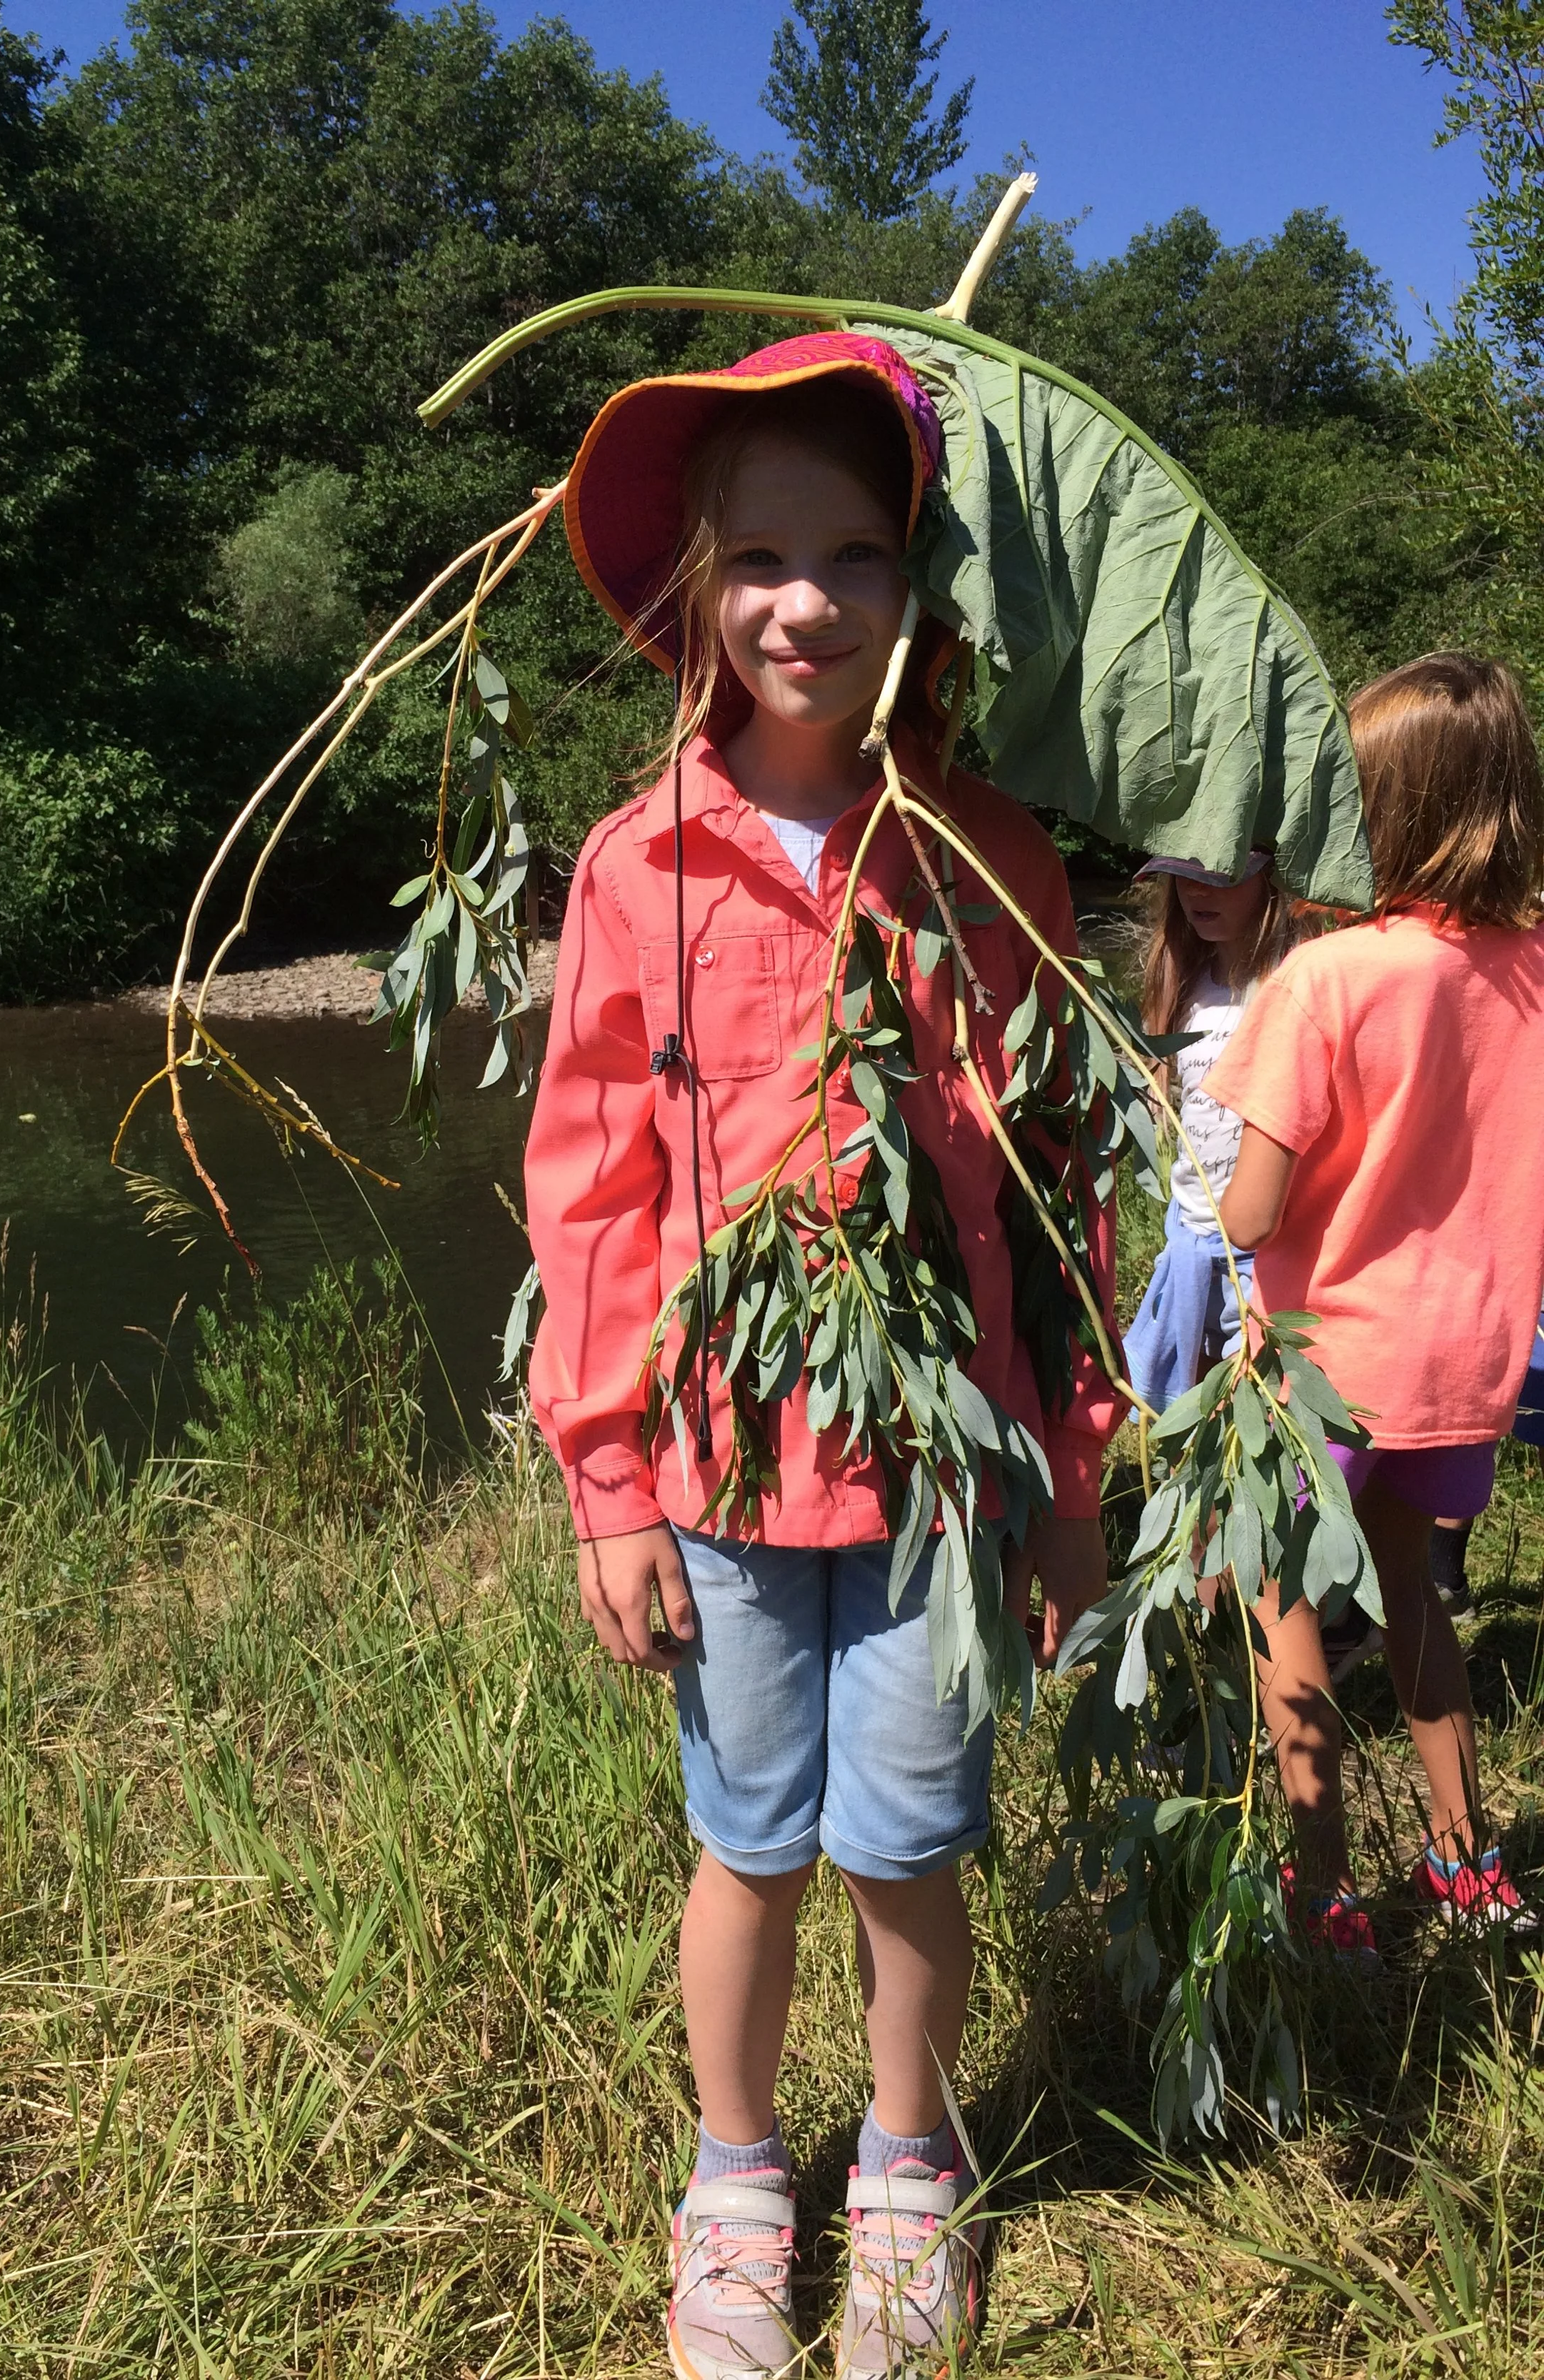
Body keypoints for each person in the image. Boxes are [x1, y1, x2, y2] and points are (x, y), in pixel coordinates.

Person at [523, 333, 1121, 2379]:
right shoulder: (633, 869)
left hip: (945, 1483)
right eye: (761, 559)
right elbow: (589, 1192)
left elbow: (1061, 1205)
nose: (806, 603)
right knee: (749, 1839)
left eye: (855, 556)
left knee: (907, 1841)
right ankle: (732, 2173)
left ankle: (906, 2162)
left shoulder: (987, 866)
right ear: (696, 587)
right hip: (717, 1470)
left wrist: (1078, 1461)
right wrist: (606, 1476)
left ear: (914, 590)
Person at [1210, 651, 1544, 1957]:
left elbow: (1249, 1212)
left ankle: (1324, 1888)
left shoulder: (1327, 978)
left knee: (1286, 1603)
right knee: (1413, 1595)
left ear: (1383, 806)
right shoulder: (1531, 973)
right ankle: (1470, 1869)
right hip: (1470, 1358)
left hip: (1329, 1361)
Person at [1121, 851, 1300, 1410]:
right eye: (1184, 878)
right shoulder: (1186, 985)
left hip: (1266, 1250)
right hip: (1193, 1229)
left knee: (1250, 1410)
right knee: (1187, 1409)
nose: (1198, 892)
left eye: (1221, 877)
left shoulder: (1289, 983)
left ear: (1270, 876)